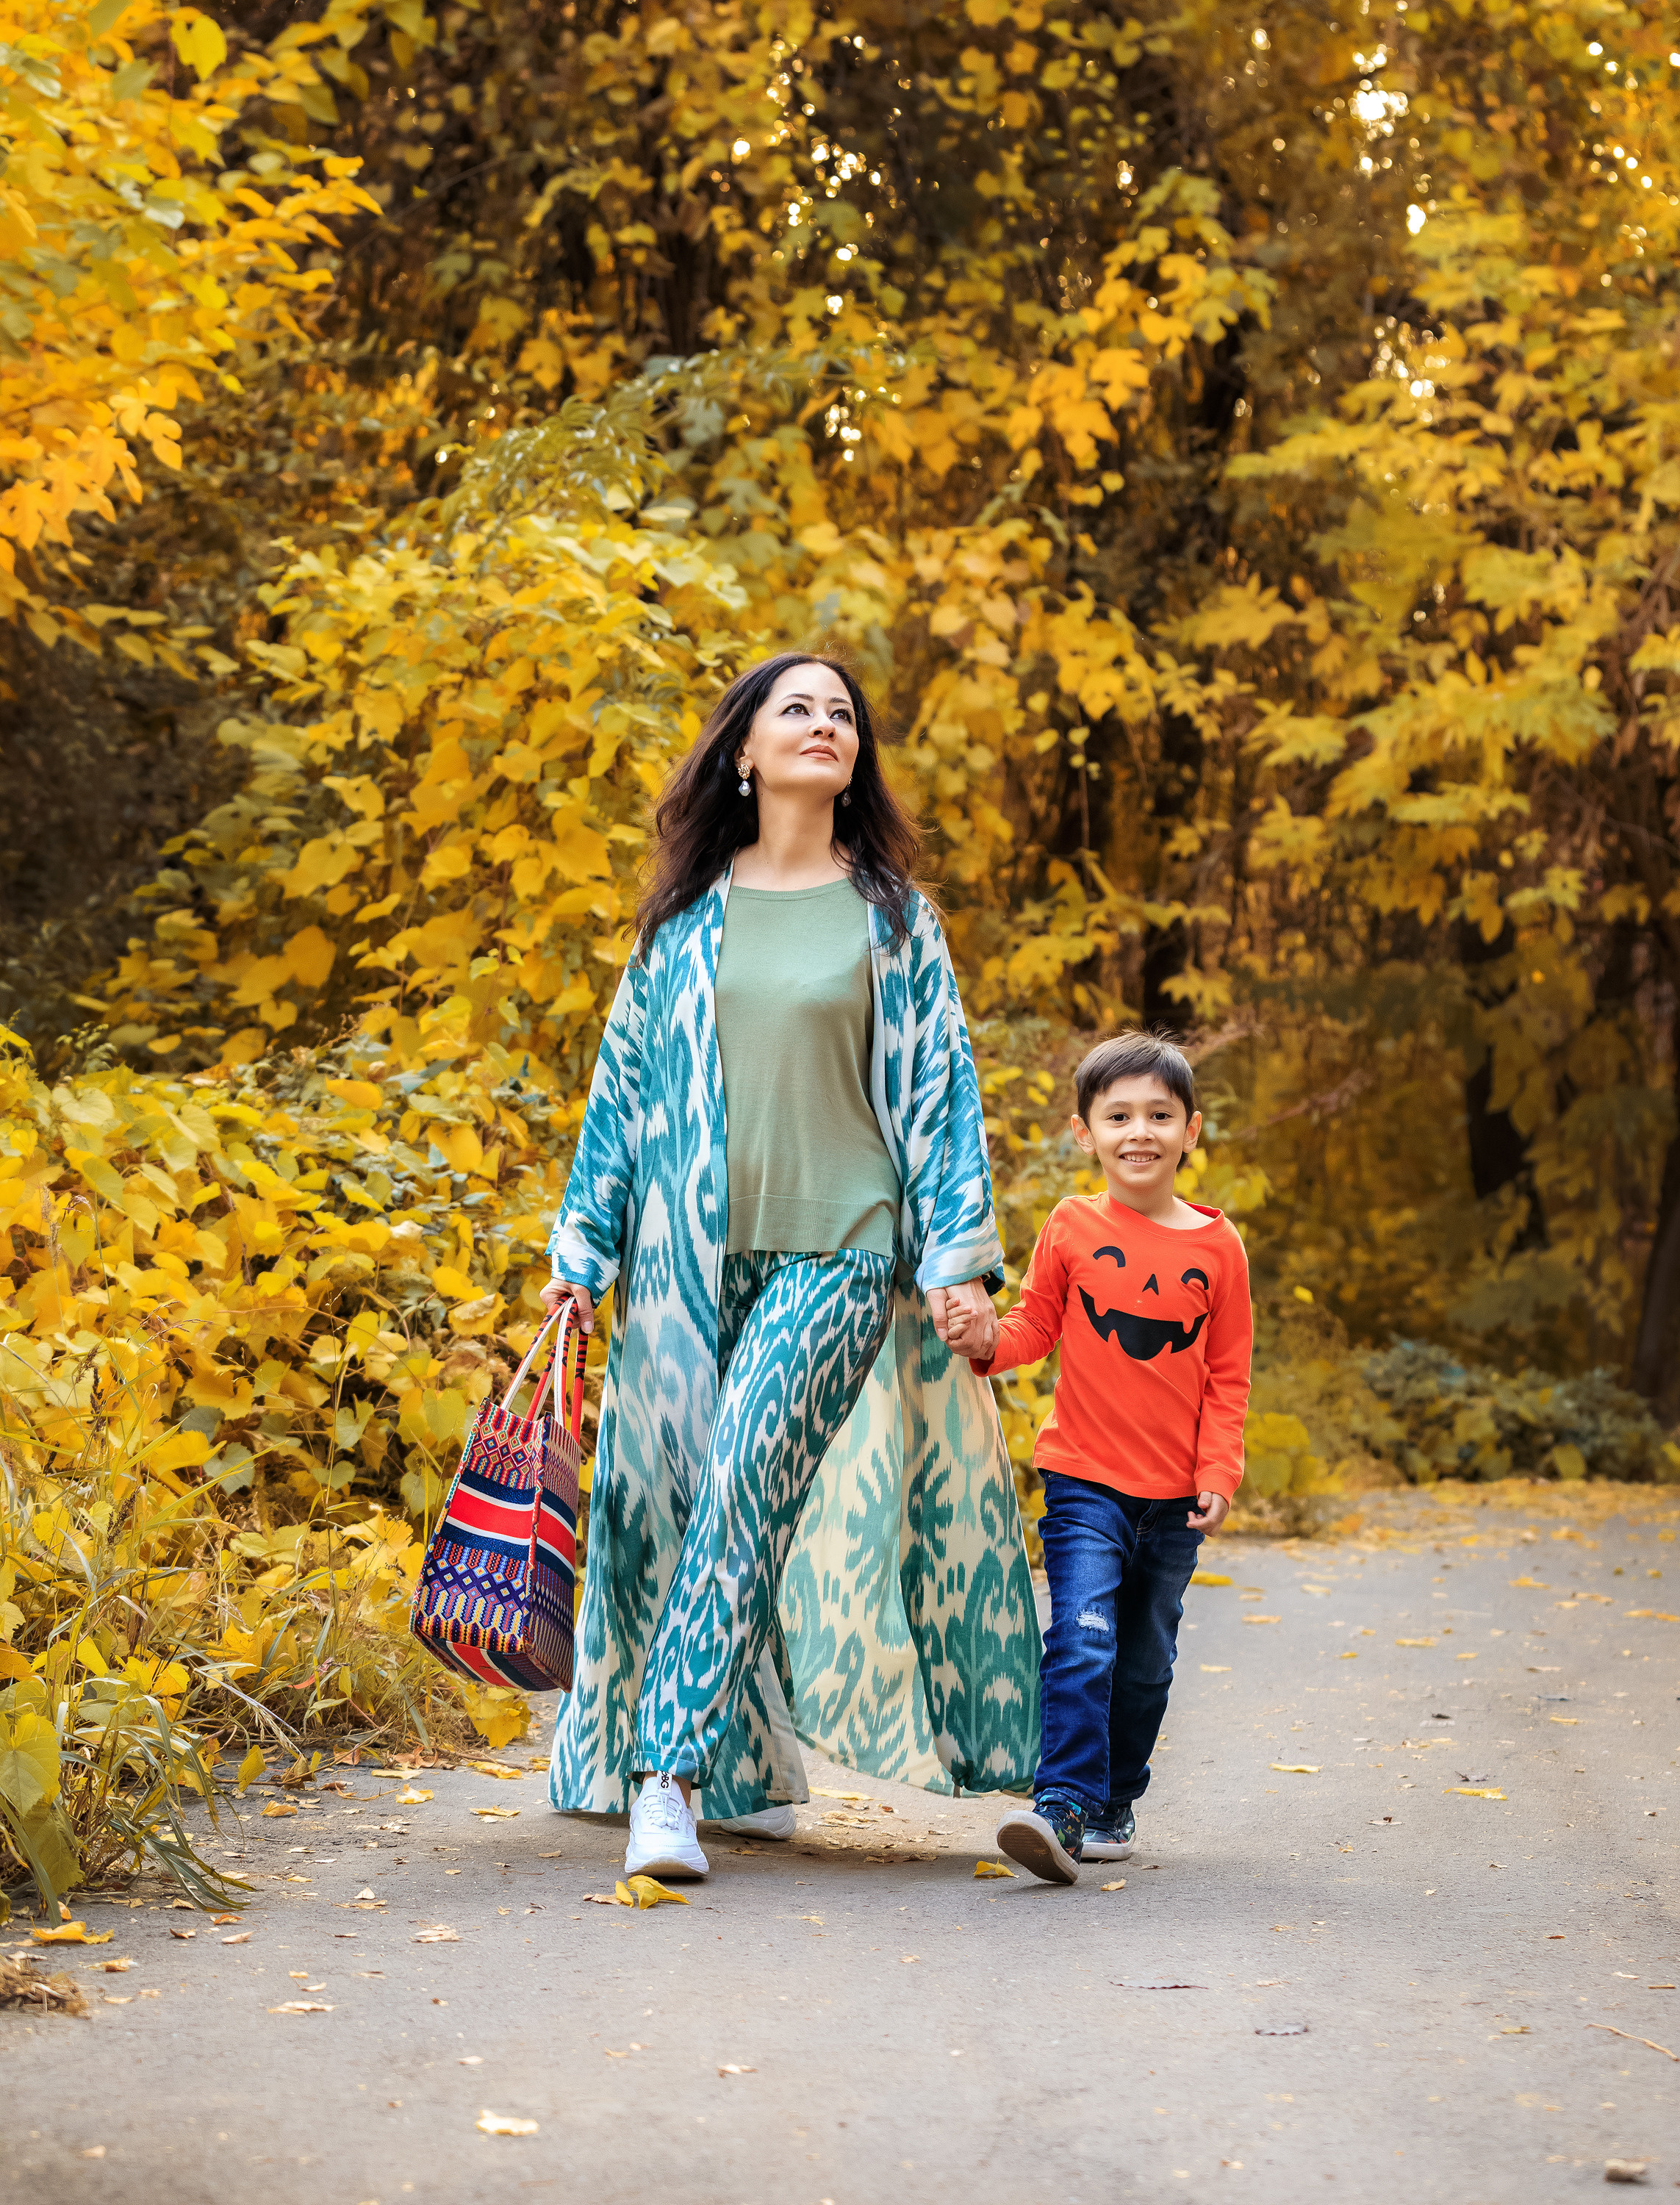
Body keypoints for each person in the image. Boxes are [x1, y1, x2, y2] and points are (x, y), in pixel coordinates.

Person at [540, 651, 1040, 1882]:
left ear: (854, 759)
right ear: (747, 754)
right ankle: (744, 1756)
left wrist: (958, 1259)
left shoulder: (892, 918)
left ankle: (670, 1776)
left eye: (842, 715)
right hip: (684, 1259)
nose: (824, 726)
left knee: (744, 1473)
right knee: (677, 1499)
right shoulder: (683, 925)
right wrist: (579, 1257)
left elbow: (938, 1092)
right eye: (795, 710)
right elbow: (620, 1102)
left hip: (845, 1245)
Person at [944, 1031, 1252, 1884]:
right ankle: (1063, 1806)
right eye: (1118, 1116)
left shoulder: (1219, 1249)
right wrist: (982, 1340)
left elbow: (1228, 1376)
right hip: (1083, 1478)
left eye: (1159, 1114)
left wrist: (1218, 1475)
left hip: (1175, 1497)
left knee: (1145, 1662)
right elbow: (1034, 1328)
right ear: (1085, 1133)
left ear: (1193, 1130)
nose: (1139, 1132)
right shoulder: (1073, 1227)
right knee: (1081, 1638)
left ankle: (1116, 1795)